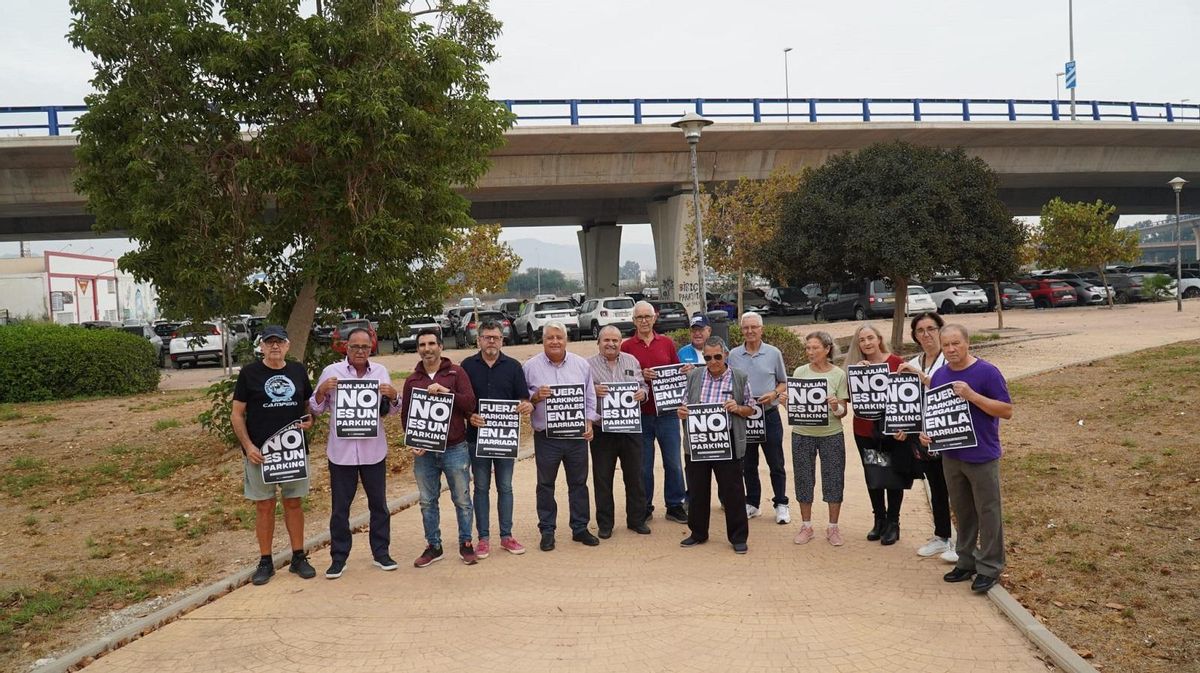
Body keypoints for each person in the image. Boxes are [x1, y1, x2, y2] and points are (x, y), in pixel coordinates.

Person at [924, 324, 1013, 594]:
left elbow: (1006, 410)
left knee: (988, 511)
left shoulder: (987, 372)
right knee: (962, 511)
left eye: (956, 344)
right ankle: (966, 560)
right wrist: (928, 433)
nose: (951, 349)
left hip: (982, 454)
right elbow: (935, 411)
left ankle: (990, 566)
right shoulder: (940, 375)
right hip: (951, 455)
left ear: (967, 343)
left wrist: (972, 395)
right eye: (946, 345)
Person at [310, 327, 401, 579]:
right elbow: (315, 409)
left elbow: (391, 411)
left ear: (371, 348)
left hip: (373, 452)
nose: (359, 351)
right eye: (354, 347)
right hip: (341, 453)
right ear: (345, 348)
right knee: (340, 508)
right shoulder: (331, 372)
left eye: (364, 347)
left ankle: (381, 553)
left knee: (379, 506)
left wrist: (394, 397)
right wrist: (321, 391)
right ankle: (338, 558)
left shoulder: (381, 372)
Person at [231, 325, 316, 585]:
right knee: (265, 505)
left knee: (293, 503)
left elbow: (307, 407)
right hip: (261, 454)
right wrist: (248, 446)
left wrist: (310, 420)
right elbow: (237, 414)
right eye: (270, 343)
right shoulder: (249, 374)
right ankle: (265, 561)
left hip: (292, 452)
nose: (275, 347)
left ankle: (299, 557)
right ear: (262, 346)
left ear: (288, 346)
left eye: (280, 342)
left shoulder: (297, 371)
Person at [401, 328, 479, 567]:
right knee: (427, 500)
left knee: (462, 499)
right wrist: (414, 440)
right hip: (425, 452)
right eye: (422, 345)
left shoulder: (456, 372)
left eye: (431, 343)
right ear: (418, 349)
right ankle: (433, 546)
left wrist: (447, 392)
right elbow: (406, 416)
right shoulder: (412, 380)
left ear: (440, 346)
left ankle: (466, 543)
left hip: (455, 447)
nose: (427, 348)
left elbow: (470, 402)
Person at [523, 321, 600, 551]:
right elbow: (522, 400)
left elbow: (590, 397)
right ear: (542, 340)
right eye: (550, 338)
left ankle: (580, 528)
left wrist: (589, 422)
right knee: (545, 485)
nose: (555, 341)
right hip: (547, 437)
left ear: (566, 339)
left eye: (559, 337)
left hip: (576, 436)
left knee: (578, 483)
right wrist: (535, 396)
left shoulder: (581, 365)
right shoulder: (529, 367)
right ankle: (547, 531)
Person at [461, 320, 533, 558]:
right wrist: (469, 416)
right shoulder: (467, 366)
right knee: (480, 488)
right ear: (478, 339)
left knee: (505, 487)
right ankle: (483, 538)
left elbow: (523, 397)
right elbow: (461, 402)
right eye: (486, 337)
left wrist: (525, 405)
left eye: (496, 337)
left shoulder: (513, 366)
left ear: (502, 340)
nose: (491, 341)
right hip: (476, 438)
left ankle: (506, 536)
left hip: (504, 439)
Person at [675, 337, 754, 554]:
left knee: (733, 491)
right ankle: (698, 533)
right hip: (699, 441)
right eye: (708, 357)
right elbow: (684, 404)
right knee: (698, 489)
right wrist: (682, 412)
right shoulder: (694, 376)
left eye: (717, 356)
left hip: (726, 441)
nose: (713, 361)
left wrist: (737, 408)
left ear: (726, 355)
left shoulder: (739, 377)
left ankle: (738, 537)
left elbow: (751, 408)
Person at [895, 312, 956, 562]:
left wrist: (922, 377)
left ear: (941, 330)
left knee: (957, 488)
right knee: (937, 488)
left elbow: (952, 391)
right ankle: (942, 536)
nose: (926, 334)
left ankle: (962, 542)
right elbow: (904, 400)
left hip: (951, 434)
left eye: (931, 328)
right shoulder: (914, 361)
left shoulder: (951, 360)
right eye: (920, 330)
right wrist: (902, 424)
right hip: (923, 436)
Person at [621, 301, 689, 525]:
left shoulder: (667, 343)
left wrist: (684, 372)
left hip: (667, 413)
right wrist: (641, 375)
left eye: (647, 316)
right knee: (643, 464)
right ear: (634, 321)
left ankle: (675, 504)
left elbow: (676, 371)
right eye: (639, 317)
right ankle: (645, 505)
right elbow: (620, 377)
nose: (643, 321)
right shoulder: (627, 346)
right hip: (640, 414)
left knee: (673, 462)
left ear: (654, 318)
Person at [845, 324, 912, 546]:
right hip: (864, 429)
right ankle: (879, 519)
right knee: (873, 473)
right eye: (862, 340)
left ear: (879, 339)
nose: (866, 343)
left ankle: (893, 522)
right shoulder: (855, 367)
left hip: (892, 430)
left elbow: (908, 396)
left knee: (893, 474)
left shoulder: (896, 362)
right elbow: (848, 398)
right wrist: (859, 374)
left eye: (870, 338)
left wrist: (906, 426)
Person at [588, 325, 651, 538]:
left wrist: (643, 393)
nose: (611, 344)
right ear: (599, 342)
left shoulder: (631, 361)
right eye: (606, 340)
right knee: (602, 478)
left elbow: (643, 385)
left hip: (630, 430)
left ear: (620, 342)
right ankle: (605, 524)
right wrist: (592, 391)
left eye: (615, 340)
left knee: (635, 476)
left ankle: (636, 520)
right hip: (602, 431)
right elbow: (581, 394)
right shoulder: (588, 366)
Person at [728, 312, 790, 524]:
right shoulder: (733, 355)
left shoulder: (773, 353)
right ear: (741, 330)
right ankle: (752, 503)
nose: (750, 331)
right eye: (746, 328)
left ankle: (781, 503)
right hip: (744, 417)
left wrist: (773, 394)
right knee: (748, 464)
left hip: (769, 415)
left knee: (776, 462)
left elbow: (783, 382)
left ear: (761, 329)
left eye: (754, 327)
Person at [788, 331, 850, 547]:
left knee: (834, 479)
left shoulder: (838, 375)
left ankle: (833, 527)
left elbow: (843, 412)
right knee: (804, 479)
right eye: (807, 348)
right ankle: (806, 525)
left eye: (815, 348)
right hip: (802, 434)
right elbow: (795, 408)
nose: (810, 352)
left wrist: (835, 405)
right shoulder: (799, 371)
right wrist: (784, 402)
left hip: (831, 434)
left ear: (827, 349)